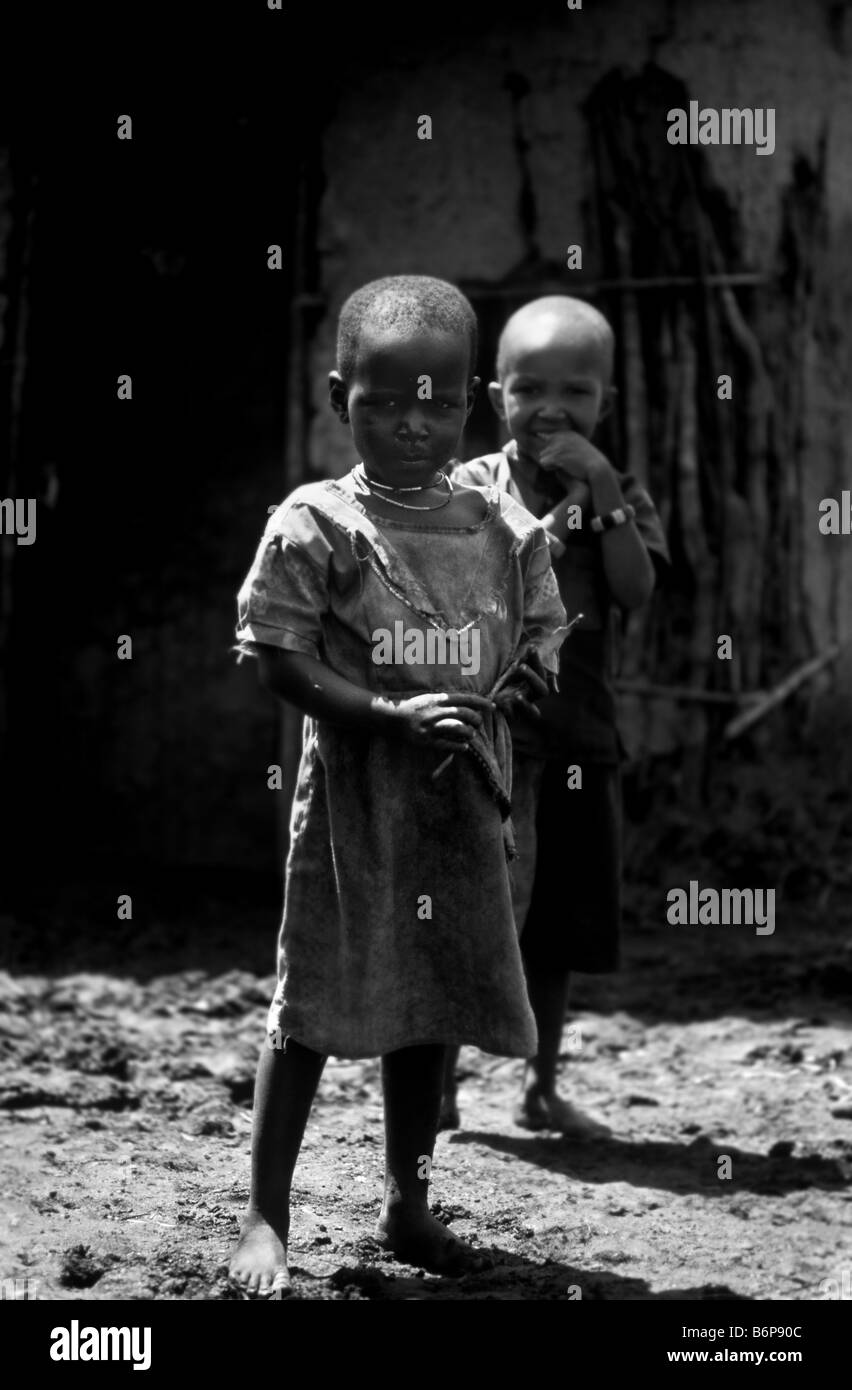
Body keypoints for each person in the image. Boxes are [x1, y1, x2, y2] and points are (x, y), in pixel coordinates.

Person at [228, 276, 567, 1296]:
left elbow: (547, 639)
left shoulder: (503, 529)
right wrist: (386, 712)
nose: (412, 422)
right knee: (313, 998)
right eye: (384, 402)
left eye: (434, 400)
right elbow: (277, 656)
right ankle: (265, 1215)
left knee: (429, 1008)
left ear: (467, 403)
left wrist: (512, 694)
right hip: (353, 809)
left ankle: (408, 1201)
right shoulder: (317, 523)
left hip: (459, 805)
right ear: (342, 399)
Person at [443, 295, 670, 1137]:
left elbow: (636, 588)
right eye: (528, 387)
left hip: (580, 732)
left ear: (603, 403)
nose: (552, 408)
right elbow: (491, 577)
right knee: (473, 915)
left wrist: (602, 490)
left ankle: (540, 1087)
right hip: (493, 740)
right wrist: (562, 517)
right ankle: (439, 1091)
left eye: (575, 391)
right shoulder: (471, 486)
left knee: (561, 925)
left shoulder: (624, 490)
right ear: (495, 396)